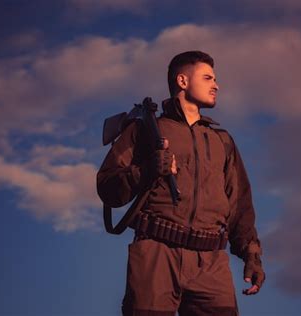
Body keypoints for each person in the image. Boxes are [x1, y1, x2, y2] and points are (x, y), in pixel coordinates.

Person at [97, 51, 265, 316]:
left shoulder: (223, 141)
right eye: (208, 77)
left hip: (211, 263)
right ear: (183, 81)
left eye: (215, 79)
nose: (216, 85)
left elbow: (240, 204)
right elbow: (107, 186)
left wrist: (252, 255)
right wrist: (146, 170)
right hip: (157, 254)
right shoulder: (144, 129)